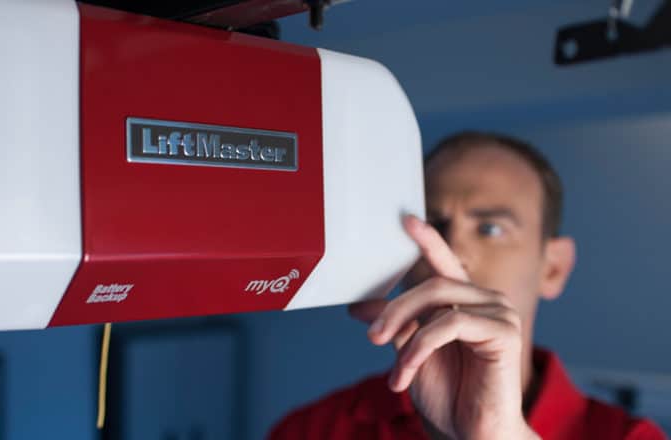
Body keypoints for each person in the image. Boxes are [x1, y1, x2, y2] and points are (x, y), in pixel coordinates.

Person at [268, 131, 667, 440]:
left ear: (554, 269)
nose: (453, 249)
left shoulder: (630, 438)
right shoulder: (315, 429)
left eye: (490, 228)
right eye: (433, 227)